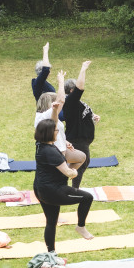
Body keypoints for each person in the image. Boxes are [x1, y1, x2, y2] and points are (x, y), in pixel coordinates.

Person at [33, 105, 95, 253]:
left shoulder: (40, 146)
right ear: (49, 134)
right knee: (87, 198)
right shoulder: (51, 152)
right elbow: (68, 172)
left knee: (51, 222)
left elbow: (53, 123)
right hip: (54, 191)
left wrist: (55, 111)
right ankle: (80, 226)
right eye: (56, 131)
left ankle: (51, 253)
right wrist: (74, 171)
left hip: (41, 190)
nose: (58, 133)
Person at [60, 62, 100, 188]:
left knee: (81, 164)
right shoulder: (70, 101)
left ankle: (66, 186)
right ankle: (73, 189)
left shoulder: (75, 103)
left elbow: (82, 115)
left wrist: (93, 117)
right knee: (82, 163)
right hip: (77, 139)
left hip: (82, 139)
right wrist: (83, 69)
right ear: (72, 91)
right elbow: (80, 87)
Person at [34, 92, 86, 171]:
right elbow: (61, 100)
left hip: (62, 148)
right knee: (55, 175)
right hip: (54, 151)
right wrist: (61, 80)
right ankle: (64, 175)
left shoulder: (52, 115)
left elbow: (56, 132)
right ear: (50, 103)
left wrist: (65, 142)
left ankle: (65, 175)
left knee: (81, 157)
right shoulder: (43, 116)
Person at [31, 43, 59, 118]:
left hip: (51, 111)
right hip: (45, 114)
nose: (50, 72)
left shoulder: (41, 82)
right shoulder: (38, 83)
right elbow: (45, 69)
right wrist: (45, 51)